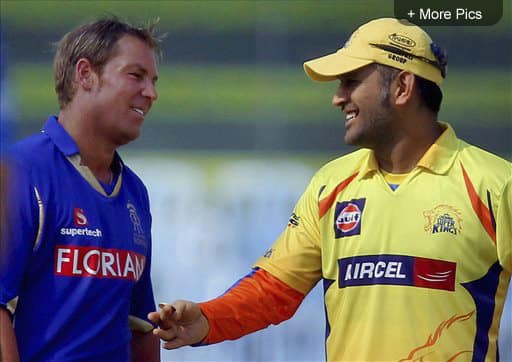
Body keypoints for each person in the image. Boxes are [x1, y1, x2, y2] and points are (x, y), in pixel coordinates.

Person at [149, 17, 512, 361]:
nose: (337, 98)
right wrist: (208, 320)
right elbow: (274, 291)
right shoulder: (331, 185)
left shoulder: (495, 186)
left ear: (402, 88)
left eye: (351, 81)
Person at [0, 16, 161, 361]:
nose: (151, 93)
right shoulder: (20, 173)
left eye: (153, 81)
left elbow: (141, 325)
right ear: (85, 74)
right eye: (136, 75)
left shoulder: (135, 192)